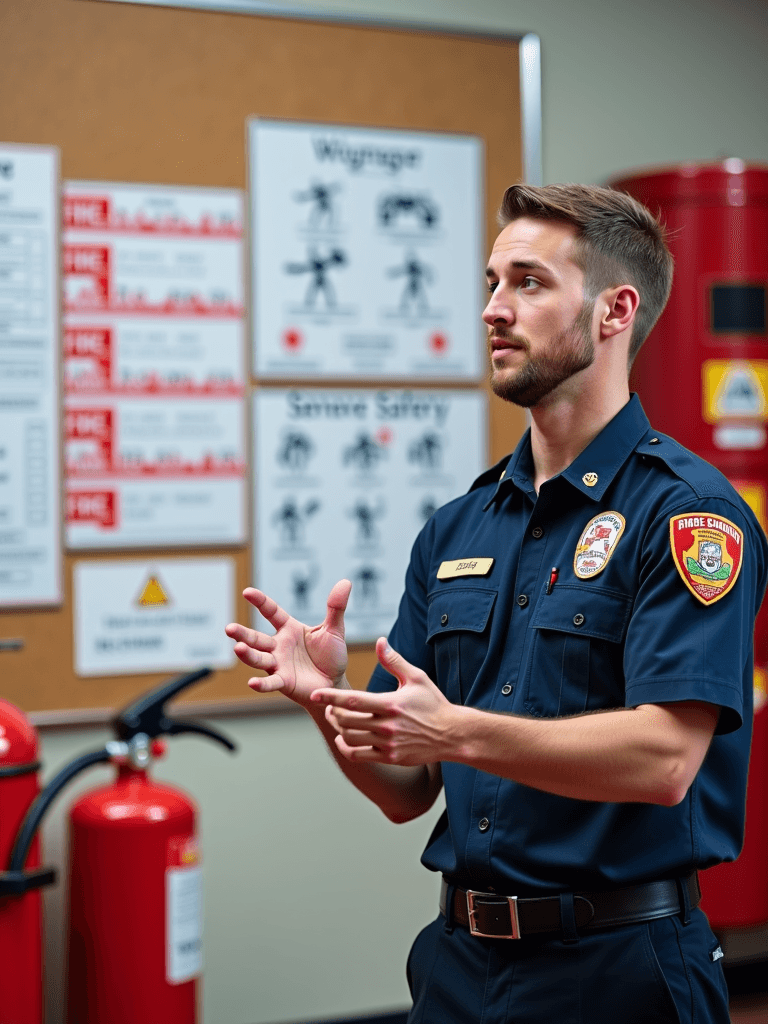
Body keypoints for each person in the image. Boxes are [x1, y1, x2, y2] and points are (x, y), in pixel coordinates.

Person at [227, 183, 768, 1024]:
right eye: (491, 282)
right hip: (459, 967)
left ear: (614, 310)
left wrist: (456, 730)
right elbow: (408, 788)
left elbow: (665, 761)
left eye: (529, 283)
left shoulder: (688, 514)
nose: (493, 309)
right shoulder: (457, 528)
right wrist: (325, 702)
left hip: (621, 972)